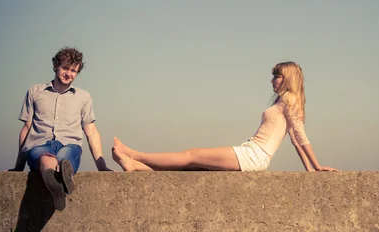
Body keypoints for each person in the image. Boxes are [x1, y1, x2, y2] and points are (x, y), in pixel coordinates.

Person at [112, 61, 339, 172]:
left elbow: (300, 135)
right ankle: (135, 165)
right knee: (191, 166)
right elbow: (292, 137)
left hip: (254, 156)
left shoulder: (290, 100)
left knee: (191, 154)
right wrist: (309, 169)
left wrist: (316, 166)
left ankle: (135, 154)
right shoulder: (283, 101)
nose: (272, 80)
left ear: (287, 78)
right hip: (251, 152)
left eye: (276, 76)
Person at [9, 47, 111, 210]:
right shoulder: (35, 91)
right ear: (55, 65)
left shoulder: (83, 97)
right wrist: (18, 166)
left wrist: (102, 166)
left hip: (69, 145)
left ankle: (60, 175)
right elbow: (27, 128)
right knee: (44, 157)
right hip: (38, 144)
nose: (68, 74)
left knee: (64, 158)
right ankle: (57, 185)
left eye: (73, 71)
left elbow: (90, 130)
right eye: (65, 68)